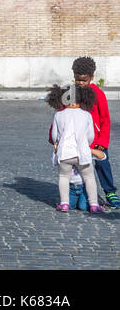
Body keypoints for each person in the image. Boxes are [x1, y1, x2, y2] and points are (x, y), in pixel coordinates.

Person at [47, 82, 103, 212]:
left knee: (63, 177)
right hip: (81, 152)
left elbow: (55, 136)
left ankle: (64, 203)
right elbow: (90, 136)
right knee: (89, 177)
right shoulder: (86, 115)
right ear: (83, 98)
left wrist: (57, 142)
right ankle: (94, 204)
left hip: (65, 153)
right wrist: (85, 143)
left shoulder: (59, 115)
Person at [73, 56, 116, 206]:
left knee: (103, 164)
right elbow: (61, 115)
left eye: (84, 80)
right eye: (77, 79)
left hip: (97, 140)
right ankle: (84, 192)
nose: (80, 83)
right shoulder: (71, 93)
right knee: (81, 167)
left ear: (92, 77)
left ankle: (110, 191)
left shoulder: (99, 94)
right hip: (78, 139)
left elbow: (105, 120)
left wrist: (102, 142)